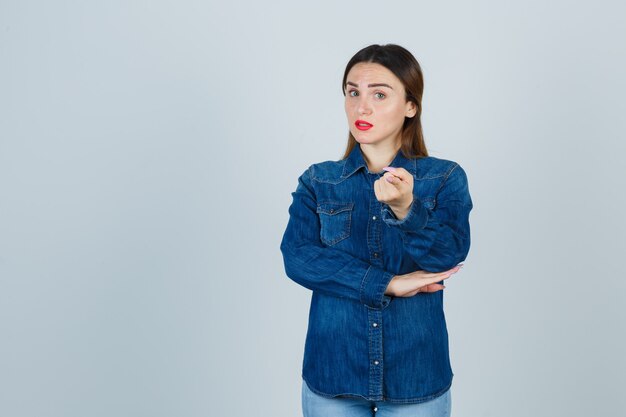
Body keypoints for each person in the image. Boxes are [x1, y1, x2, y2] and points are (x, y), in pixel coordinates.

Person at [280, 43, 473, 417]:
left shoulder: (444, 177)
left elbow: (449, 256)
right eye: (353, 92)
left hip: (415, 375)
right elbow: (298, 258)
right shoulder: (319, 181)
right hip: (333, 373)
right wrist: (387, 283)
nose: (361, 107)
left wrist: (406, 209)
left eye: (379, 94)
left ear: (410, 106)